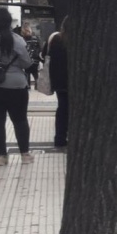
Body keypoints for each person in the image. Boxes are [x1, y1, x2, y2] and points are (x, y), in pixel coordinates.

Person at [0, 7, 34, 166]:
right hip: (15, 86)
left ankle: (1, 156)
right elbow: (27, 62)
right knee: (19, 120)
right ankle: (24, 155)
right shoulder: (15, 40)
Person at [43, 18, 69, 149]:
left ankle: (59, 138)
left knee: (62, 109)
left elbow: (44, 55)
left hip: (59, 81)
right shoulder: (83, 40)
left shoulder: (55, 39)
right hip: (74, 81)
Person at [20, 23, 41, 89]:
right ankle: (37, 85)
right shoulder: (36, 38)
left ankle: (28, 85)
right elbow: (40, 48)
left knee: (27, 72)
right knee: (35, 73)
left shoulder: (22, 39)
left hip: (27, 58)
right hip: (35, 59)